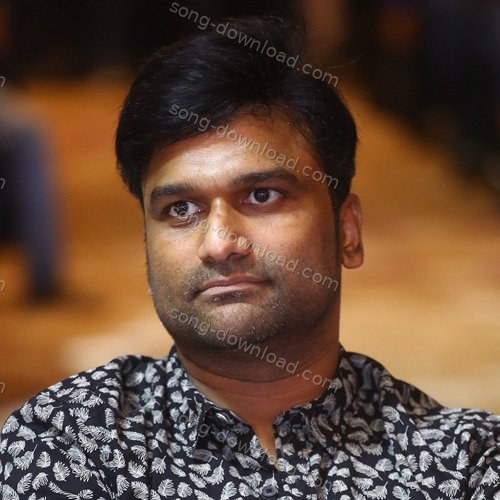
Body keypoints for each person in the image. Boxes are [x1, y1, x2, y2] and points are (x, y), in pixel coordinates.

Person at [1, 16, 499, 500]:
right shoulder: (67, 444)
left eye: (262, 196)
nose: (219, 243)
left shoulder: (461, 463)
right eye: (181, 209)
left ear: (347, 230)